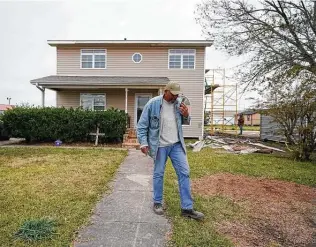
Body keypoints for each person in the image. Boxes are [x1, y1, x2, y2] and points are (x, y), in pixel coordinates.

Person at [137, 81, 204, 221]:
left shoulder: (179, 103)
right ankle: (157, 203)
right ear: (165, 91)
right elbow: (142, 126)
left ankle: (187, 208)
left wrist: (186, 114)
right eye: (173, 94)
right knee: (159, 174)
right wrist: (143, 142)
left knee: (184, 173)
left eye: (177, 94)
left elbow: (185, 121)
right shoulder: (153, 104)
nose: (175, 97)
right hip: (160, 145)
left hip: (176, 144)